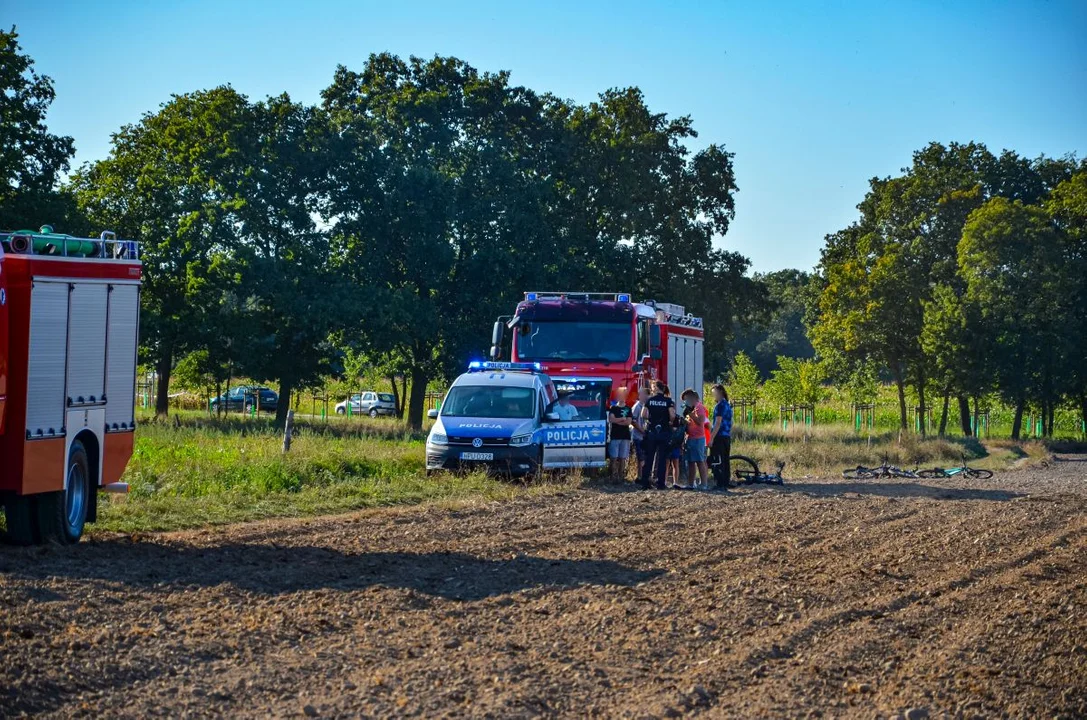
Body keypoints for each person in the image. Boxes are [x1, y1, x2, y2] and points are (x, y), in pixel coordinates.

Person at [638, 381, 676, 489]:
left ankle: (645, 482)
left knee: (649, 457)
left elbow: (643, 414)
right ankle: (660, 483)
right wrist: (668, 422)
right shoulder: (668, 401)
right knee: (662, 458)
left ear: (655, 388)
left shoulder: (649, 400)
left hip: (652, 432)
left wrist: (650, 420)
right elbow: (672, 416)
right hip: (664, 432)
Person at [681, 389, 710, 489]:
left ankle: (704, 484)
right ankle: (690, 484)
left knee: (699, 461)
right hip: (690, 437)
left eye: (686, 399)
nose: (685, 402)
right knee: (690, 462)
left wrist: (690, 413)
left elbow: (700, 421)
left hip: (698, 439)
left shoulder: (699, 407)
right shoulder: (692, 408)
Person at [709, 384, 733, 490]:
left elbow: (717, 423)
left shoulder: (719, 406)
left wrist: (711, 438)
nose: (714, 395)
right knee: (725, 460)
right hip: (726, 436)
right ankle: (725, 481)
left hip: (719, 436)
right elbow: (730, 422)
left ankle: (719, 483)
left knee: (717, 460)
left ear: (720, 393)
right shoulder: (728, 405)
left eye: (715, 393)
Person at [607, 388, 633, 482]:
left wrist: (618, 421)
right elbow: (611, 419)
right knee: (613, 457)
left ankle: (621, 476)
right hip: (615, 435)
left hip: (625, 436)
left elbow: (628, 422)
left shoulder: (628, 408)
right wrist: (622, 419)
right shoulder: (613, 408)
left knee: (622, 457)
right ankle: (613, 476)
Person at [631, 387, 649, 478]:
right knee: (641, 458)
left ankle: (643, 476)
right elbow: (633, 421)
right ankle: (640, 477)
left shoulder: (647, 406)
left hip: (645, 436)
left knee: (645, 458)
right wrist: (642, 430)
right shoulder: (637, 407)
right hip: (638, 436)